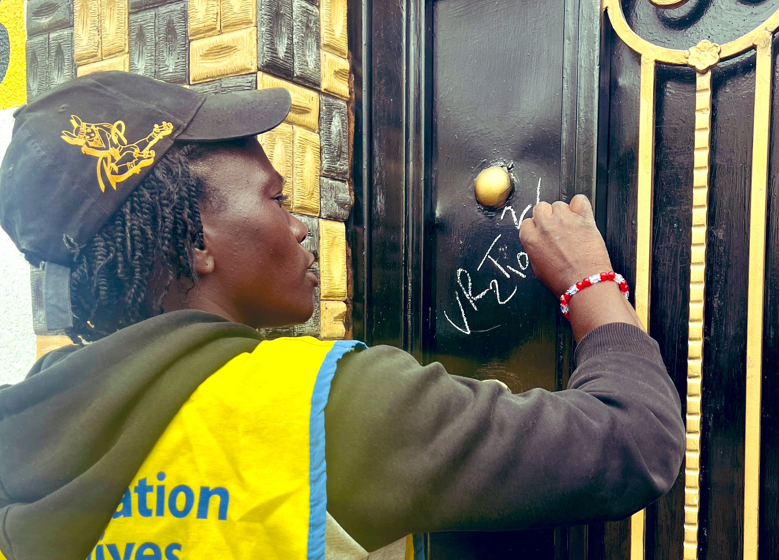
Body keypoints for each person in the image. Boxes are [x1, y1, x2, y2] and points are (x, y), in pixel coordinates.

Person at [0, 72, 684, 560]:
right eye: (273, 198)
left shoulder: (24, 428)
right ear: (194, 241)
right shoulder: (319, 405)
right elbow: (632, 445)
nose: (300, 227)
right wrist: (588, 284)